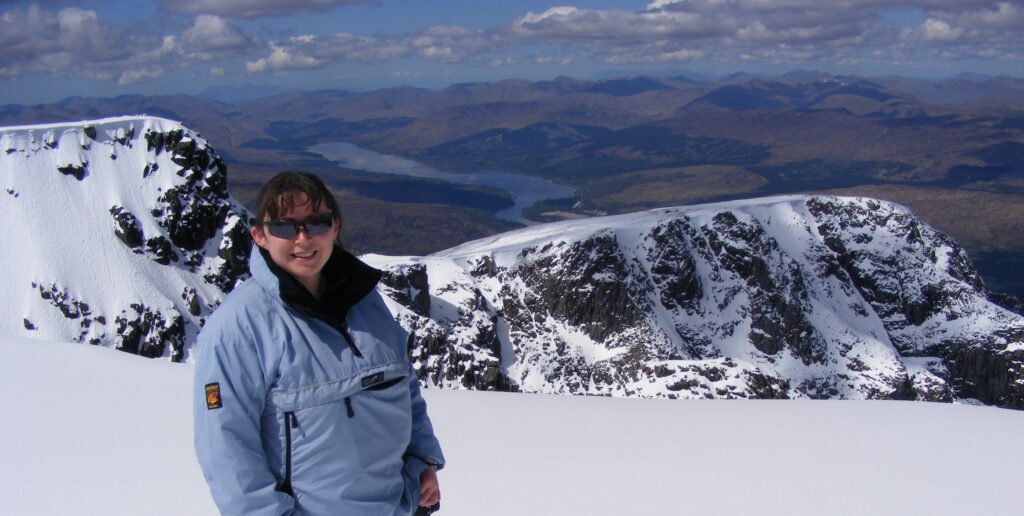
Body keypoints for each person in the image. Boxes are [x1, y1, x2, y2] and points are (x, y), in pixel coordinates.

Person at [193, 172, 444, 515]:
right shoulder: (237, 329)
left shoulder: (366, 302)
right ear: (260, 236)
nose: (303, 238)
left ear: (335, 226)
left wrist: (422, 459)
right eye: (284, 227)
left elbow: (405, 387)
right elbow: (225, 447)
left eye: (317, 223)